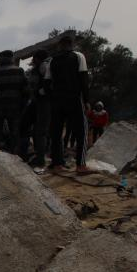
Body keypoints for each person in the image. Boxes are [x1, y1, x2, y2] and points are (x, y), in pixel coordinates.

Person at [46, 32, 91, 174]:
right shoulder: (78, 56)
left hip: (57, 101)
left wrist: (52, 98)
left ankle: (57, 164)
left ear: (60, 46)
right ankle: (80, 165)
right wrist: (87, 100)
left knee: (56, 132)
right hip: (74, 99)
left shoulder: (52, 61)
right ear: (72, 45)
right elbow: (84, 80)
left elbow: (47, 83)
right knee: (81, 132)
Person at [0, 49, 30, 157]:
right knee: (15, 132)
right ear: (11, 58)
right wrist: (22, 106)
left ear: (2, 59)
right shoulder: (19, 71)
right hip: (15, 108)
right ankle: (15, 156)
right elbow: (27, 92)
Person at [27, 49, 52, 168]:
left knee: (40, 132)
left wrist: (39, 92)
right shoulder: (43, 66)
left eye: (34, 58)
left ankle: (41, 158)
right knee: (38, 131)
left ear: (39, 58)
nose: (33, 61)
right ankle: (40, 155)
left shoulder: (44, 66)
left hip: (44, 102)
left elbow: (49, 84)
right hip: (41, 102)